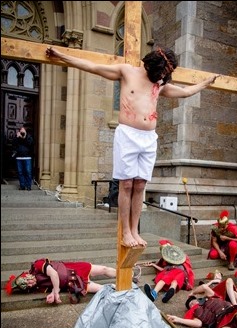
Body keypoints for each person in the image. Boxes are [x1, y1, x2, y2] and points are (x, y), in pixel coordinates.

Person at [46, 46, 220, 248]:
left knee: (140, 185)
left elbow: (185, 92)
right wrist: (61, 56)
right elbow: (91, 66)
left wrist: (206, 82)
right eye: (164, 71)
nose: (164, 76)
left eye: (167, 73)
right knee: (126, 184)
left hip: (148, 138)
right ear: (156, 64)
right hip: (128, 134)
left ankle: (135, 229)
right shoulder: (127, 72)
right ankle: (125, 231)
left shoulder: (160, 85)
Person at [5, 258, 116, 304]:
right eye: (27, 286)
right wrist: (52, 295)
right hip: (73, 283)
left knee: (104, 269)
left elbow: (53, 273)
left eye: (27, 280)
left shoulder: (38, 265)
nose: (30, 283)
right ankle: (124, 287)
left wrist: (55, 291)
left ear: (26, 275)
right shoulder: (38, 287)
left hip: (73, 269)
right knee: (103, 289)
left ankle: (127, 274)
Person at [12, 126, 34, 191]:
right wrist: (17, 137)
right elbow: (14, 145)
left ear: (25, 131)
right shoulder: (17, 138)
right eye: (20, 130)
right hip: (19, 158)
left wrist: (23, 137)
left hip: (27, 157)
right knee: (20, 172)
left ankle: (28, 186)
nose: (21, 132)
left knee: (28, 172)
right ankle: (22, 186)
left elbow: (30, 144)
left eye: (23, 130)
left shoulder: (29, 137)